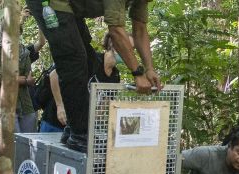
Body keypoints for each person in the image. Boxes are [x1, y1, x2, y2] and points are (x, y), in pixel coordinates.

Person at [25, 0, 161, 153]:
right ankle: (79, 135)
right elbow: (115, 30)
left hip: (70, 8)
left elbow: (140, 29)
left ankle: (73, 127)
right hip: (50, 4)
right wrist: (137, 72)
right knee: (73, 57)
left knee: (88, 58)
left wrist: (149, 68)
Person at [40, 33, 124, 133]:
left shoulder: (115, 75)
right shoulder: (89, 59)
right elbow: (54, 75)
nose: (131, 53)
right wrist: (60, 106)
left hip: (78, 129)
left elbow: (104, 103)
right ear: (113, 45)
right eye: (128, 48)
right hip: (55, 120)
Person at [0, 22, 37, 134]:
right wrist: (24, 80)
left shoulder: (24, 51)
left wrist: (20, 79)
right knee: (13, 145)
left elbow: (29, 75)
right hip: (6, 105)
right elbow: (2, 79)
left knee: (30, 143)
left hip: (25, 104)